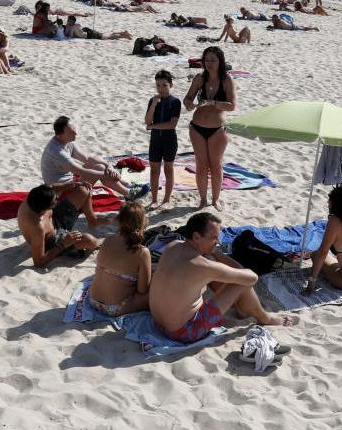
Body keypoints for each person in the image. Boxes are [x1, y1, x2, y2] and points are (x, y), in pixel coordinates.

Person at [150, 212, 293, 342]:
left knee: (214, 268)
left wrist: (212, 251)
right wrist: (216, 253)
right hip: (183, 332)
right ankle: (265, 317)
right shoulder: (202, 265)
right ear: (196, 237)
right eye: (214, 238)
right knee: (240, 282)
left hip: (158, 323)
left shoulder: (173, 246)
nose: (218, 242)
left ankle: (243, 307)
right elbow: (251, 278)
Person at [184, 47, 236, 209]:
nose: (209, 63)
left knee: (216, 165)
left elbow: (232, 106)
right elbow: (187, 99)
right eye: (207, 60)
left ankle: (215, 199)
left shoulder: (227, 80)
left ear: (220, 61)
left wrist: (213, 103)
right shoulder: (199, 78)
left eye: (213, 60)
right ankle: (203, 199)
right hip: (197, 127)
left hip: (218, 129)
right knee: (201, 165)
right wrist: (189, 104)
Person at [41, 116, 135, 199]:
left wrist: (108, 165)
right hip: (61, 192)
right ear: (59, 136)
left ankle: (126, 186)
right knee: (100, 169)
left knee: (101, 166)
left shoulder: (66, 142)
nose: (76, 133)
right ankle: (128, 193)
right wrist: (108, 174)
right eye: (71, 132)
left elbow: (87, 158)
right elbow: (81, 171)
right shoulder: (57, 152)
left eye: (74, 128)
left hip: (69, 181)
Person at [87, 203, 152, 316]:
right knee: (156, 292)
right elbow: (142, 290)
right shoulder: (142, 252)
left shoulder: (108, 240)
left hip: (92, 300)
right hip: (114, 308)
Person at [17, 184, 100, 269]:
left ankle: (92, 220)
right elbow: (38, 262)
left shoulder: (35, 196)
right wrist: (63, 244)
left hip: (54, 219)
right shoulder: (37, 227)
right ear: (43, 211)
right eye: (54, 201)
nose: (57, 199)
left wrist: (74, 184)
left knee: (83, 190)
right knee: (91, 241)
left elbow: (52, 187)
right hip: (53, 242)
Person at [145, 70, 181, 207]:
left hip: (169, 140)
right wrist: (154, 104)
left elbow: (172, 124)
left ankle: (166, 199)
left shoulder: (175, 102)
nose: (161, 88)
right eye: (158, 85)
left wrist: (154, 126)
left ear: (171, 85)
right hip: (155, 141)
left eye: (164, 85)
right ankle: (154, 199)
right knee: (154, 170)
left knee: (168, 168)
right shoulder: (152, 100)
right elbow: (147, 122)